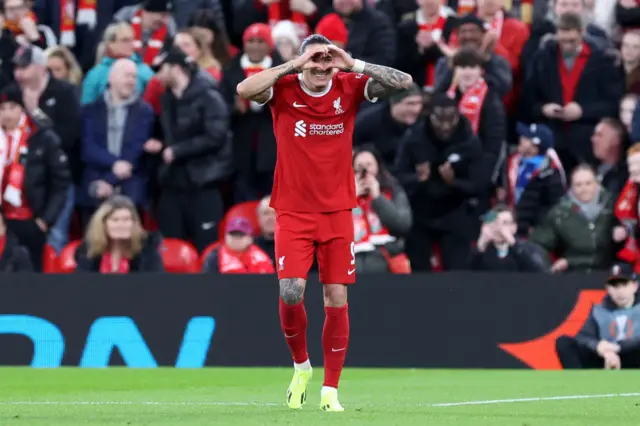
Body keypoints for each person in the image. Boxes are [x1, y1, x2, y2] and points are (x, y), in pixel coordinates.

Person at [236, 33, 412, 411]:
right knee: (291, 291)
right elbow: (245, 88)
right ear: (303, 63)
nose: (321, 67)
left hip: (336, 211)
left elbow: (404, 83)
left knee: (336, 296)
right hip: (293, 210)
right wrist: (296, 63)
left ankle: (331, 391)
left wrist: (354, 64)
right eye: (315, 60)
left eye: (326, 60)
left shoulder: (348, 85)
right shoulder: (283, 88)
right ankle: (301, 366)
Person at [155, 47, 232, 252]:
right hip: (172, 183)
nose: (158, 75)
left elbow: (216, 136)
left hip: (203, 182)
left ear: (175, 68)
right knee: (170, 247)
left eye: (161, 68)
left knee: (206, 246)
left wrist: (177, 150)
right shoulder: (167, 99)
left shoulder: (209, 96)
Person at [394, 93, 483, 271]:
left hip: (455, 212)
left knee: (457, 272)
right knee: (419, 271)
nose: (445, 127)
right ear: (430, 117)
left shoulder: (469, 142)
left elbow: (478, 185)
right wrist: (417, 179)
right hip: (420, 213)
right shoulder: (414, 138)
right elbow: (398, 176)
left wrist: (453, 182)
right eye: (439, 121)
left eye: (451, 120)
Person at [0, 84, 70, 271]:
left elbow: (61, 181)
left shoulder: (41, 136)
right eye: (2, 108)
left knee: (32, 272)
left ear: (22, 108)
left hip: (32, 219)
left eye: (12, 107)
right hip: (2, 221)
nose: (6, 114)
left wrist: (46, 219)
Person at [78, 59, 154, 222]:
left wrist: (110, 180)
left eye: (134, 77)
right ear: (111, 78)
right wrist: (112, 166)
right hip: (96, 179)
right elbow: (88, 148)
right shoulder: (90, 111)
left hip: (130, 182)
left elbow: (136, 150)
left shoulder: (145, 112)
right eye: (127, 76)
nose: (131, 81)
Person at [530, 165, 620, 273]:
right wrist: (549, 268)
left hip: (608, 272)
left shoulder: (612, 205)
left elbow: (631, 225)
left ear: (596, 184)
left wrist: (624, 228)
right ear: (571, 188)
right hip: (572, 274)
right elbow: (537, 245)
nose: (584, 189)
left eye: (588, 183)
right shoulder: (559, 213)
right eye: (578, 185)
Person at [556, 264, 640, 369]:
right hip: (605, 359)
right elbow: (582, 337)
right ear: (607, 288)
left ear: (635, 286)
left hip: (633, 358)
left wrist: (617, 348)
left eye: (624, 285)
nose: (620, 291)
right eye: (614, 286)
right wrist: (598, 347)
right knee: (564, 342)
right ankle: (578, 382)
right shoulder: (599, 310)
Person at [352, 146, 412, 273]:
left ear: (378, 167)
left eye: (369, 165)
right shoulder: (339, 196)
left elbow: (403, 224)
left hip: (387, 263)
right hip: (352, 266)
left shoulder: (392, 191)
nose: (364, 171)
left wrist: (378, 198)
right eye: (359, 166)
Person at [75, 195, 164, 273]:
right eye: (115, 220)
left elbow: (156, 285)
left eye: (127, 219)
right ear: (103, 224)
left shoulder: (148, 250)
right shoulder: (89, 250)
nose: (121, 225)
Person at [469, 204, 548, 272]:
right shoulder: (481, 251)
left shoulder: (530, 249)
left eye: (505, 223)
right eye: (495, 223)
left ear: (514, 227)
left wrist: (513, 243)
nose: (499, 228)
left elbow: (538, 273)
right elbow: (466, 275)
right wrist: (481, 244)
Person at [201, 216, 275, 274]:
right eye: (233, 234)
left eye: (241, 235)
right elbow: (208, 285)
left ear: (250, 238)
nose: (236, 239)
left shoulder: (261, 257)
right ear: (225, 236)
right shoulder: (215, 257)